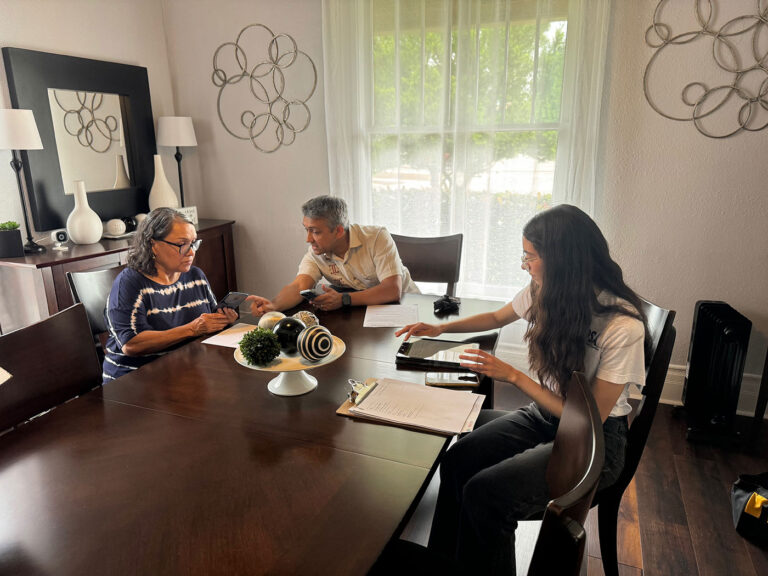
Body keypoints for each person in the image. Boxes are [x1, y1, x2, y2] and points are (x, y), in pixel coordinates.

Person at [395, 204, 648, 574]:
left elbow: (589, 418)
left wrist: (514, 377)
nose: (524, 264)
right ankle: (446, 563)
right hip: (544, 417)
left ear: (562, 260)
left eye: (530, 256)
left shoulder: (621, 325)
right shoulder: (548, 291)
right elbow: (497, 317)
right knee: (456, 461)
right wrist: (440, 329)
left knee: (485, 495)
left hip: (595, 442)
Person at [102, 208, 238, 383]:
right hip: (135, 381)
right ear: (153, 245)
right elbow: (131, 344)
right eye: (182, 244)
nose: (191, 252)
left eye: (194, 243)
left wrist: (222, 320)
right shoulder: (129, 284)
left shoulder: (195, 277)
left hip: (183, 370)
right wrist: (192, 328)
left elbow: (206, 325)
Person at [247, 195, 418, 314]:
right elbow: (299, 286)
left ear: (338, 231)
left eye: (315, 232)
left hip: (406, 307)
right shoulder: (316, 253)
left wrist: (344, 299)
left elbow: (392, 290)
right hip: (363, 313)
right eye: (306, 230)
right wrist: (273, 305)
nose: (308, 239)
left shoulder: (377, 237)